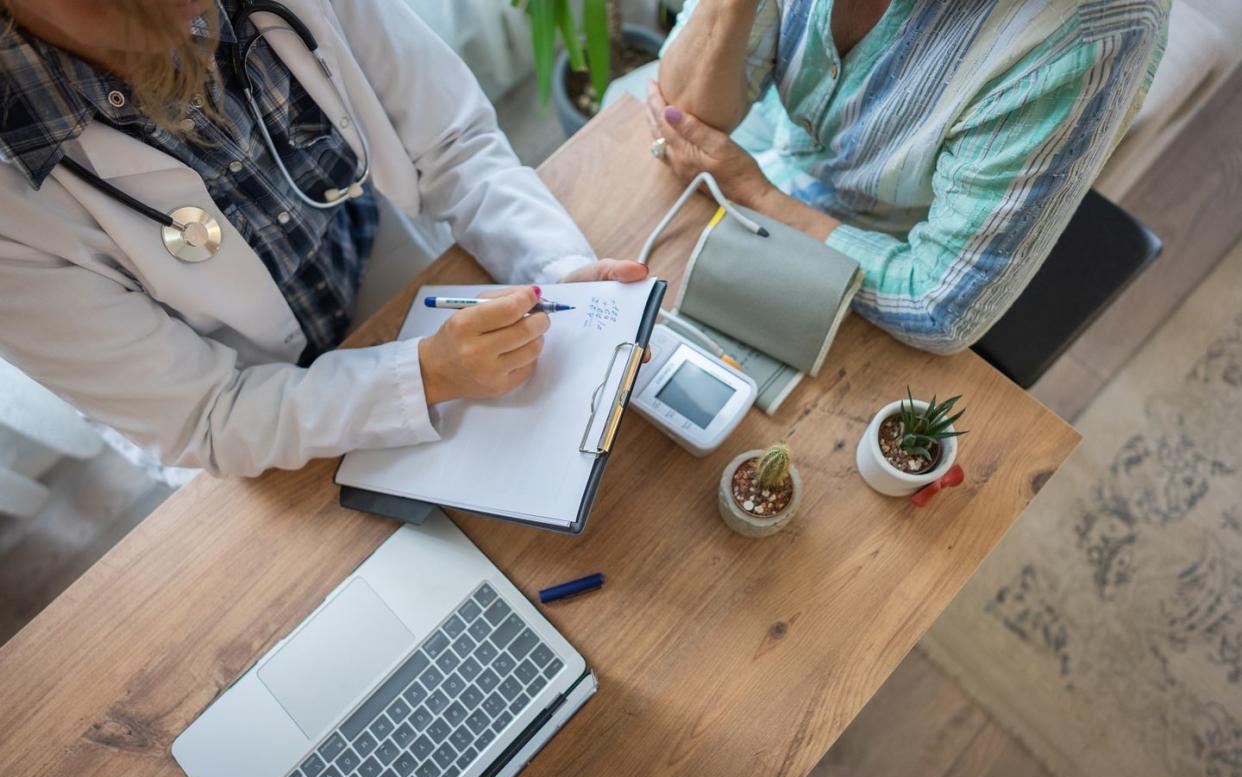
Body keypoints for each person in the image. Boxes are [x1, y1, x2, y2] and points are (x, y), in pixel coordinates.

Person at [0, 0, 646, 477]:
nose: (198, 15)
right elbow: (205, 416)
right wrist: (422, 376)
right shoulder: (14, 210)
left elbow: (453, 146)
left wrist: (556, 268)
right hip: (245, 410)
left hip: (370, 252)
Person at [649, 0, 1169, 353]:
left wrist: (754, 192)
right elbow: (688, 119)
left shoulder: (1083, 38)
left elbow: (942, 308)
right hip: (763, 140)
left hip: (868, 238)